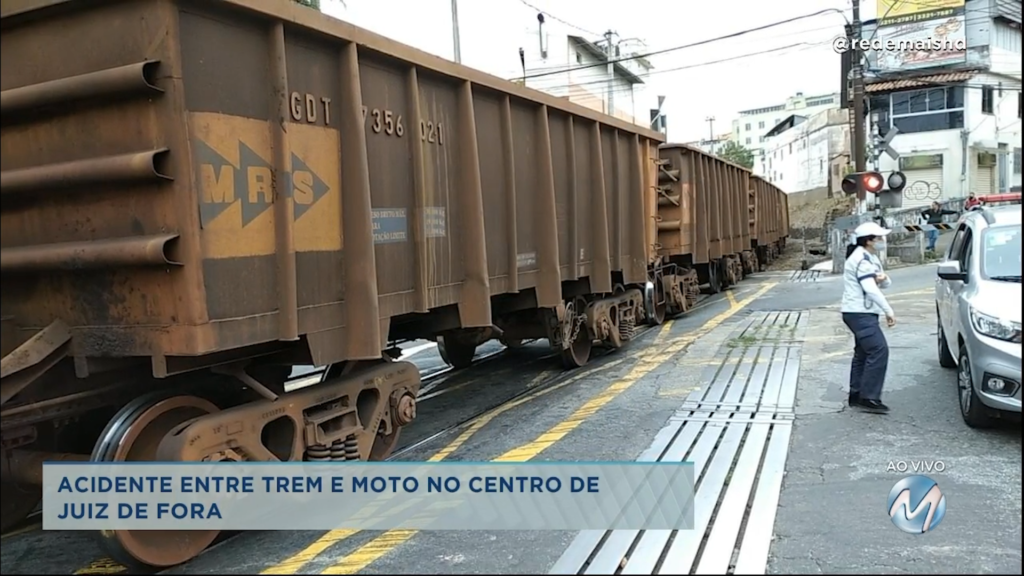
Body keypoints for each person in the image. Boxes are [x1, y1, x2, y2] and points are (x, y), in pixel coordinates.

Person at [841, 222, 896, 414]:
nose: (882, 241)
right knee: (879, 349)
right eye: (879, 238)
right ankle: (869, 397)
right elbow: (871, 288)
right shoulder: (862, 260)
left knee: (863, 353)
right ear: (868, 240)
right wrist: (889, 310)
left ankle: (856, 394)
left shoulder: (869, 257)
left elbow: (884, 282)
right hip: (859, 313)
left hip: (860, 312)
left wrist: (883, 279)